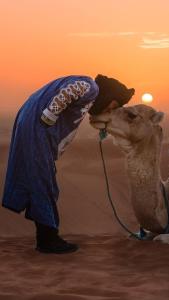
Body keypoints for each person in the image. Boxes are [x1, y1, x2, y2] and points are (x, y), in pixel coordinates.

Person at [2, 74, 135, 254]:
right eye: (115, 105)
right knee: (44, 183)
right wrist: (50, 114)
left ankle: (46, 236)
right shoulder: (90, 87)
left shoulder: (89, 96)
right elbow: (73, 90)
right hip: (38, 129)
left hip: (31, 123)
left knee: (42, 180)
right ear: (109, 96)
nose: (112, 109)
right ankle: (48, 240)